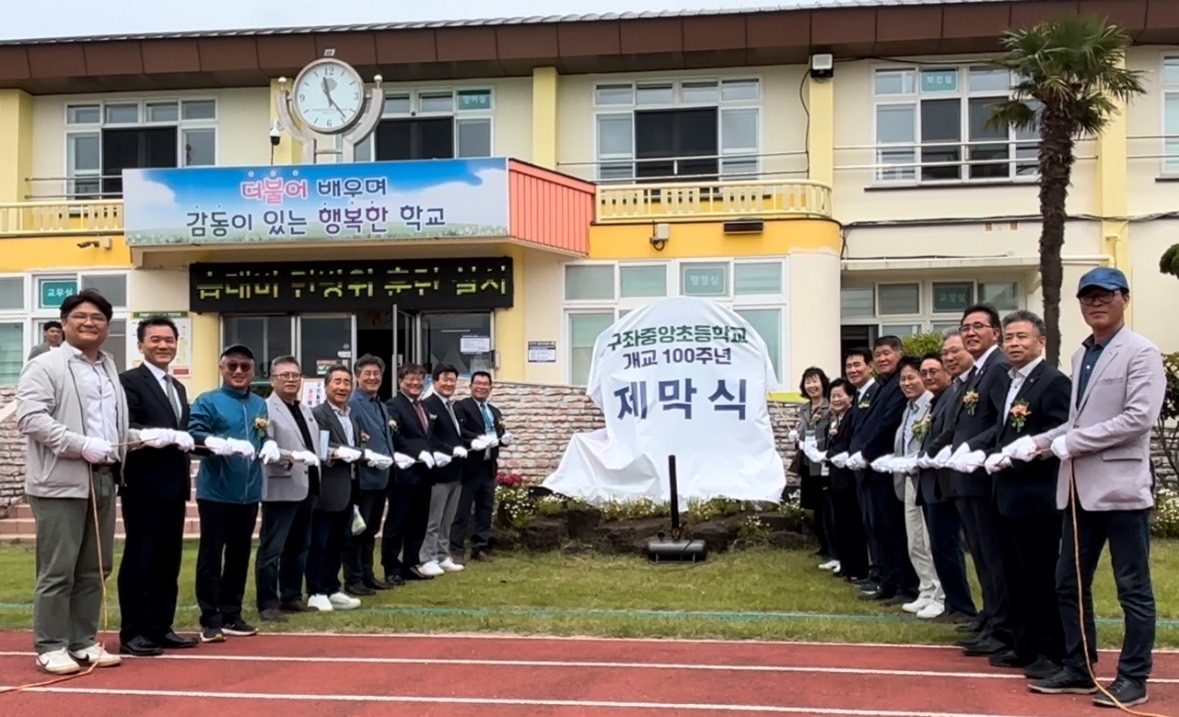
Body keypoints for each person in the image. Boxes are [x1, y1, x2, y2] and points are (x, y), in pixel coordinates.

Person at [1022, 268, 1164, 708]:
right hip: (1079, 490)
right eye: (1087, 298)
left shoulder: (1141, 352)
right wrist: (1043, 442)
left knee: (1132, 587)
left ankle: (1133, 676)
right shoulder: (1083, 355)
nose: (1095, 304)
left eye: (1105, 296)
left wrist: (1071, 442)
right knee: (1068, 583)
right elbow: (1080, 420)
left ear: (1124, 298)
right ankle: (1079, 667)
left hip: (1121, 489)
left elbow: (1137, 419)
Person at [16, 290, 155, 674]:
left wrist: (138, 437)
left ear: (108, 327)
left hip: (105, 476)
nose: (89, 322)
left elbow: (110, 423)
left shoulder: (108, 366)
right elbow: (30, 418)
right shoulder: (46, 365)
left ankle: (81, 640)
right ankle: (50, 644)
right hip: (60, 482)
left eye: (97, 317)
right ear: (63, 323)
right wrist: (79, 445)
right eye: (80, 316)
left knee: (96, 567)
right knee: (58, 568)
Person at [984, 310, 1071, 680]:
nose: (1015, 343)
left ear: (1041, 341)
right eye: (1009, 338)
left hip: (1037, 496)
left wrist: (1023, 455)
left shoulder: (1052, 381)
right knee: (1015, 573)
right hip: (1008, 494)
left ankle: (1051, 651)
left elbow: (1061, 432)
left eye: (1022, 337)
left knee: (1041, 576)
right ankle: (1024, 644)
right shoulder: (1008, 381)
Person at [928, 304, 1012, 658]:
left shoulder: (999, 368)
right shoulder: (976, 374)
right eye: (966, 327)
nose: (971, 333)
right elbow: (958, 424)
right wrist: (937, 449)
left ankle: (1003, 626)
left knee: (994, 556)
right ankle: (991, 617)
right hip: (963, 478)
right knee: (980, 555)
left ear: (996, 331)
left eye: (979, 326)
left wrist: (970, 448)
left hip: (982, 478)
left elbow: (1004, 422)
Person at [117, 315, 199, 656]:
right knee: (141, 557)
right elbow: (125, 426)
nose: (163, 346)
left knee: (169, 559)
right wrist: (152, 436)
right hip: (143, 485)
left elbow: (183, 432)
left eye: (169, 340)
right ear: (141, 345)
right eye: (155, 340)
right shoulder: (129, 381)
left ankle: (161, 626)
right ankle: (133, 631)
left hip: (174, 485)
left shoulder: (177, 386)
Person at [187, 344, 274, 642]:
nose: (238, 371)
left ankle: (232, 614)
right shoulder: (207, 400)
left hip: (249, 493)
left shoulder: (260, 405)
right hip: (216, 492)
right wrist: (219, 443)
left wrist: (269, 443)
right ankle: (210, 617)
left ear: (253, 371)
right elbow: (194, 435)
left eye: (244, 367)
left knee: (239, 555)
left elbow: (262, 437)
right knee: (212, 555)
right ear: (221, 368)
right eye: (232, 366)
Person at [847, 336, 916, 604]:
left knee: (894, 530)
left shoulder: (900, 385)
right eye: (879, 354)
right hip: (871, 468)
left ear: (899, 354)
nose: (883, 359)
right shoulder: (886, 386)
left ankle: (904, 584)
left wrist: (866, 452)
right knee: (879, 529)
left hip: (886, 467)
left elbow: (886, 425)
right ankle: (887, 580)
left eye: (887, 353)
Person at [254, 356, 321, 622]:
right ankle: (267, 600)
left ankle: (291, 595)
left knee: (299, 545)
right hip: (281, 484)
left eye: (295, 375)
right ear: (272, 379)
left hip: (308, 484)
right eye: (285, 375)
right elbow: (265, 445)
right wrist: (290, 455)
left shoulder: (305, 409)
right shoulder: (266, 408)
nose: (291, 380)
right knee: (273, 548)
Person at [914, 347, 977, 625]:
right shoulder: (935, 402)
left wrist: (930, 454)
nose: (928, 377)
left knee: (947, 545)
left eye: (933, 371)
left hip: (946, 483)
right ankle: (954, 603)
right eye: (924, 372)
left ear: (947, 374)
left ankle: (961, 605)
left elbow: (948, 434)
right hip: (931, 482)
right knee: (939, 546)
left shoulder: (952, 396)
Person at [880, 356, 940, 619]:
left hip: (926, 479)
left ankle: (940, 592)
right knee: (914, 540)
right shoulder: (909, 409)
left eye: (912, 377)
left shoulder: (932, 406)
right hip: (907, 479)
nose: (907, 383)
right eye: (903, 379)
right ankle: (925, 589)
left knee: (929, 540)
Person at [308, 365, 365, 611]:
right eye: (337, 382)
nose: (342, 387)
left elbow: (355, 443)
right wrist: (339, 451)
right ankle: (315, 590)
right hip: (326, 488)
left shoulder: (351, 414)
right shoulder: (318, 413)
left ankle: (332, 587)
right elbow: (321, 446)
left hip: (348, 487)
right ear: (326, 385)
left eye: (346, 382)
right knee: (319, 542)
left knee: (338, 542)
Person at [344, 354, 397, 595]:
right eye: (368, 374)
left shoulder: (381, 405)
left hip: (382, 478)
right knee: (358, 530)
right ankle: (354, 579)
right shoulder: (352, 403)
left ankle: (368, 574)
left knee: (372, 530)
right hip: (363, 477)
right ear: (357, 376)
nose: (373, 378)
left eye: (377, 374)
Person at [383, 364, 439, 580]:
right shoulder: (393, 405)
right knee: (398, 522)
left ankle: (411, 564)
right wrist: (419, 451)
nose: (415, 384)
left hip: (424, 474)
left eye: (419, 379)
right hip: (404, 475)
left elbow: (428, 437)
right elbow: (397, 436)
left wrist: (438, 452)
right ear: (400, 382)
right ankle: (391, 567)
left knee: (418, 522)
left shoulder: (423, 407)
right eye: (410, 379)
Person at [452, 371, 510, 563]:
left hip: (488, 467)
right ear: (471, 386)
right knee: (462, 510)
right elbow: (460, 431)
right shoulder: (461, 407)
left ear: (491, 387)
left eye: (486, 384)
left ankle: (480, 547)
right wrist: (476, 440)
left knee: (485, 509)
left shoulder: (494, 411)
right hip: (469, 467)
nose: (481, 387)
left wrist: (504, 439)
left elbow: (498, 433)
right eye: (478, 383)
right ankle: (456, 549)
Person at [421, 364, 469, 574]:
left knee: (447, 519)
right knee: (433, 519)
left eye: (452, 380)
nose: (449, 384)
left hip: (456, 472)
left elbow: (460, 434)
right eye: (445, 380)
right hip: (438, 472)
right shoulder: (428, 405)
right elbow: (429, 437)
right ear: (434, 382)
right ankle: (427, 557)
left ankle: (443, 555)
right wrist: (450, 450)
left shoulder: (453, 407)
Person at [791, 367, 833, 568]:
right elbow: (802, 431)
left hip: (823, 463)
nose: (811, 386)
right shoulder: (804, 408)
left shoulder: (830, 406)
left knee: (827, 508)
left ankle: (833, 549)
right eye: (808, 382)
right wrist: (795, 437)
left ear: (823, 383)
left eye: (815, 381)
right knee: (815, 508)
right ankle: (823, 547)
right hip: (808, 464)